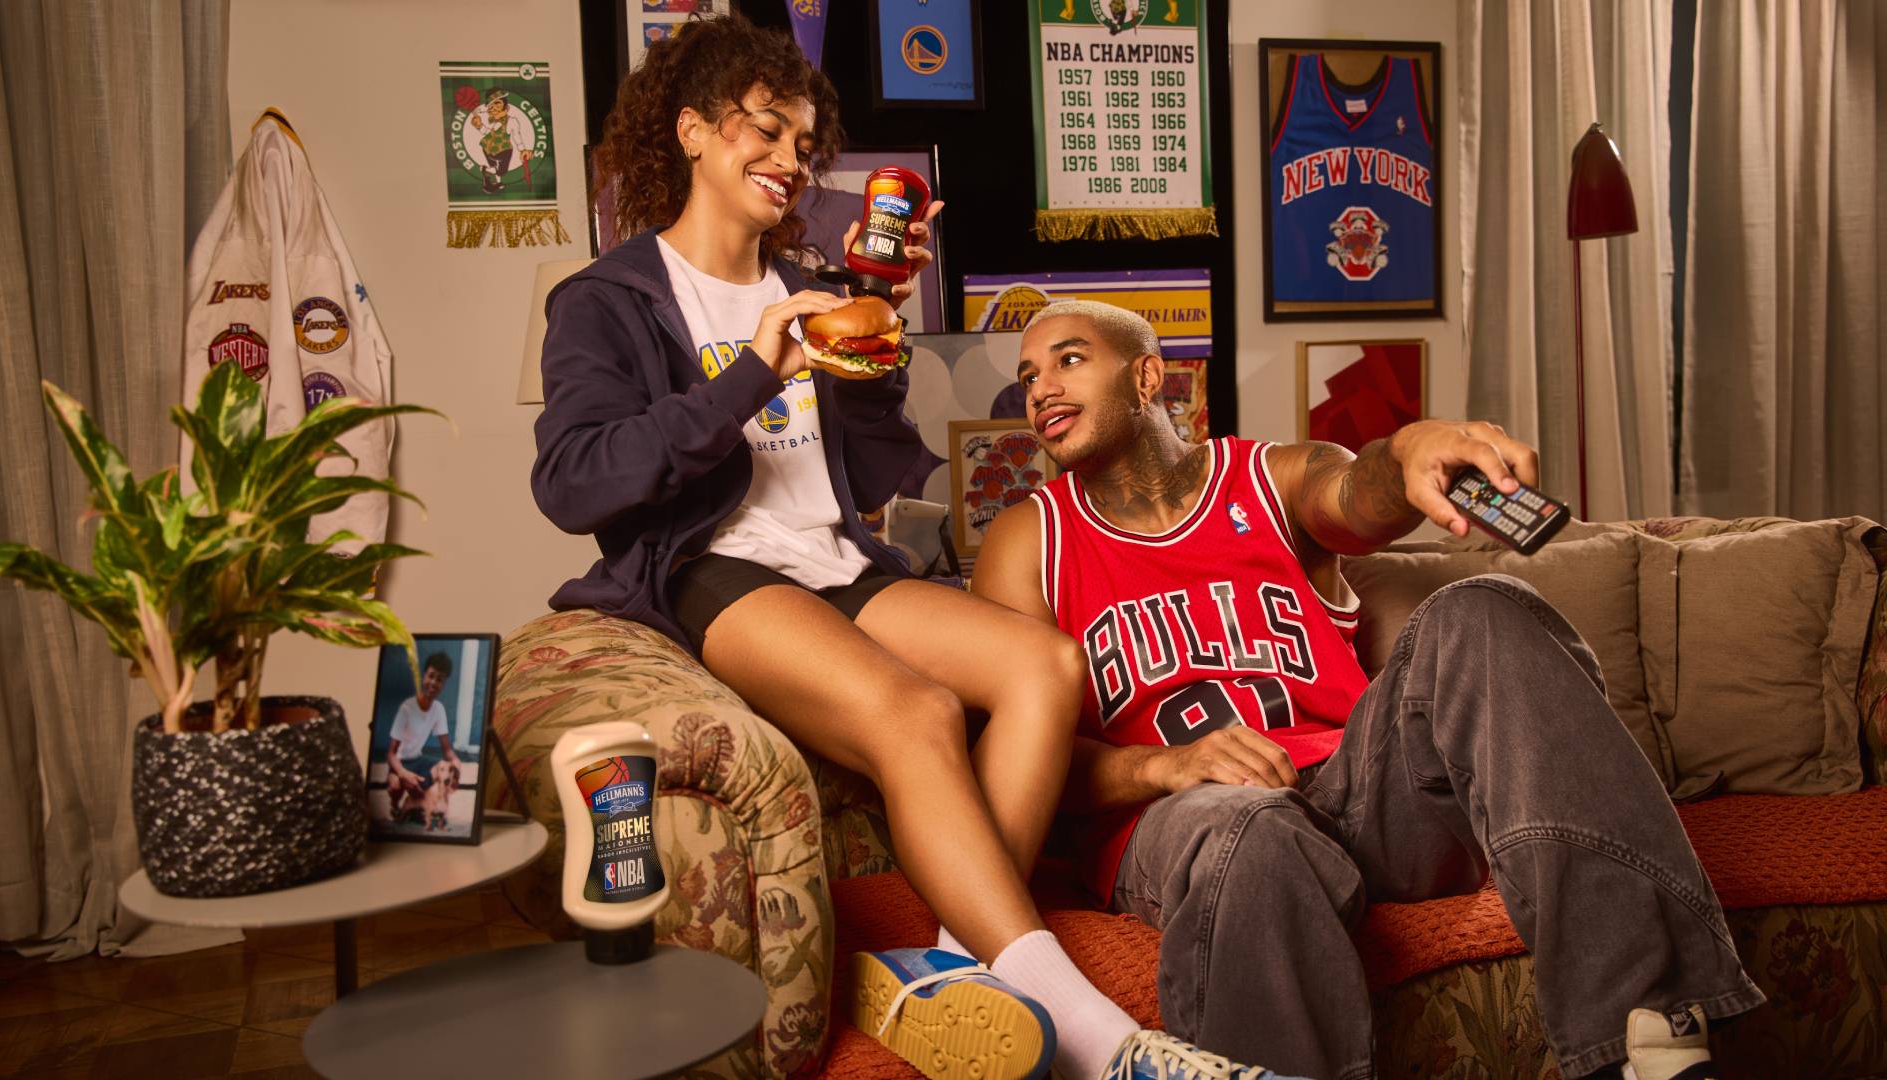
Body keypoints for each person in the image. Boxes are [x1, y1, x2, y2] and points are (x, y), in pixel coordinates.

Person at [530, 17, 1278, 1080]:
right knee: (919, 711)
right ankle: (1101, 1043)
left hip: (841, 565)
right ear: (691, 131)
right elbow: (576, 481)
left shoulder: (816, 284)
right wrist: (754, 369)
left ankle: (944, 968)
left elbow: (880, 470)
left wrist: (872, 338)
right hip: (711, 571)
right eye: (762, 130)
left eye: (801, 141)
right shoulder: (606, 300)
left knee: (1045, 665)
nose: (789, 161)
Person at [974, 300, 1764, 1080]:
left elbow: (1357, 495)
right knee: (1247, 829)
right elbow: (1018, 766)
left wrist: (1411, 449)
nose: (1040, 388)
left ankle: (1646, 1040)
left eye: (1068, 359)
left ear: (1147, 375)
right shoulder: (1026, 542)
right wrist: (1164, 766)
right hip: (1186, 820)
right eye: (1027, 375)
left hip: (1358, 795)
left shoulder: (1267, 478)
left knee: (1483, 609)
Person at [386, 651, 462, 822]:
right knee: (396, 784)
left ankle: (423, 807)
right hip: (400, 763)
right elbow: (391, 754)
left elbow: (447, 750)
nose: (434, 683)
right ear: (424, 676)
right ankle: (395, 806)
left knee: (442, 770)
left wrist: (456, 767)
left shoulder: (438, 709)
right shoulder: (407, 708)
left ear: (444, 684)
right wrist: (403, 773)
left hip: (418, 760)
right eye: (431, 676)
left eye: (440, 679)